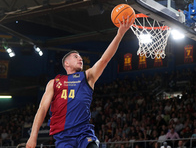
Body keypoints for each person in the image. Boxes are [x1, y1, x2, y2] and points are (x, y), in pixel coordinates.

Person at [26, 16, 134, 148]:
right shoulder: (54, 82)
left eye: (81, 57)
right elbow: (42, 109)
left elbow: (105, 59)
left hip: (84, 134)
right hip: (63, 137)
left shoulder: (88, 76)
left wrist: (120, 34)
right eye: (76, 56)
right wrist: (33, 137)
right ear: (66, 63)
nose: (80, 59)